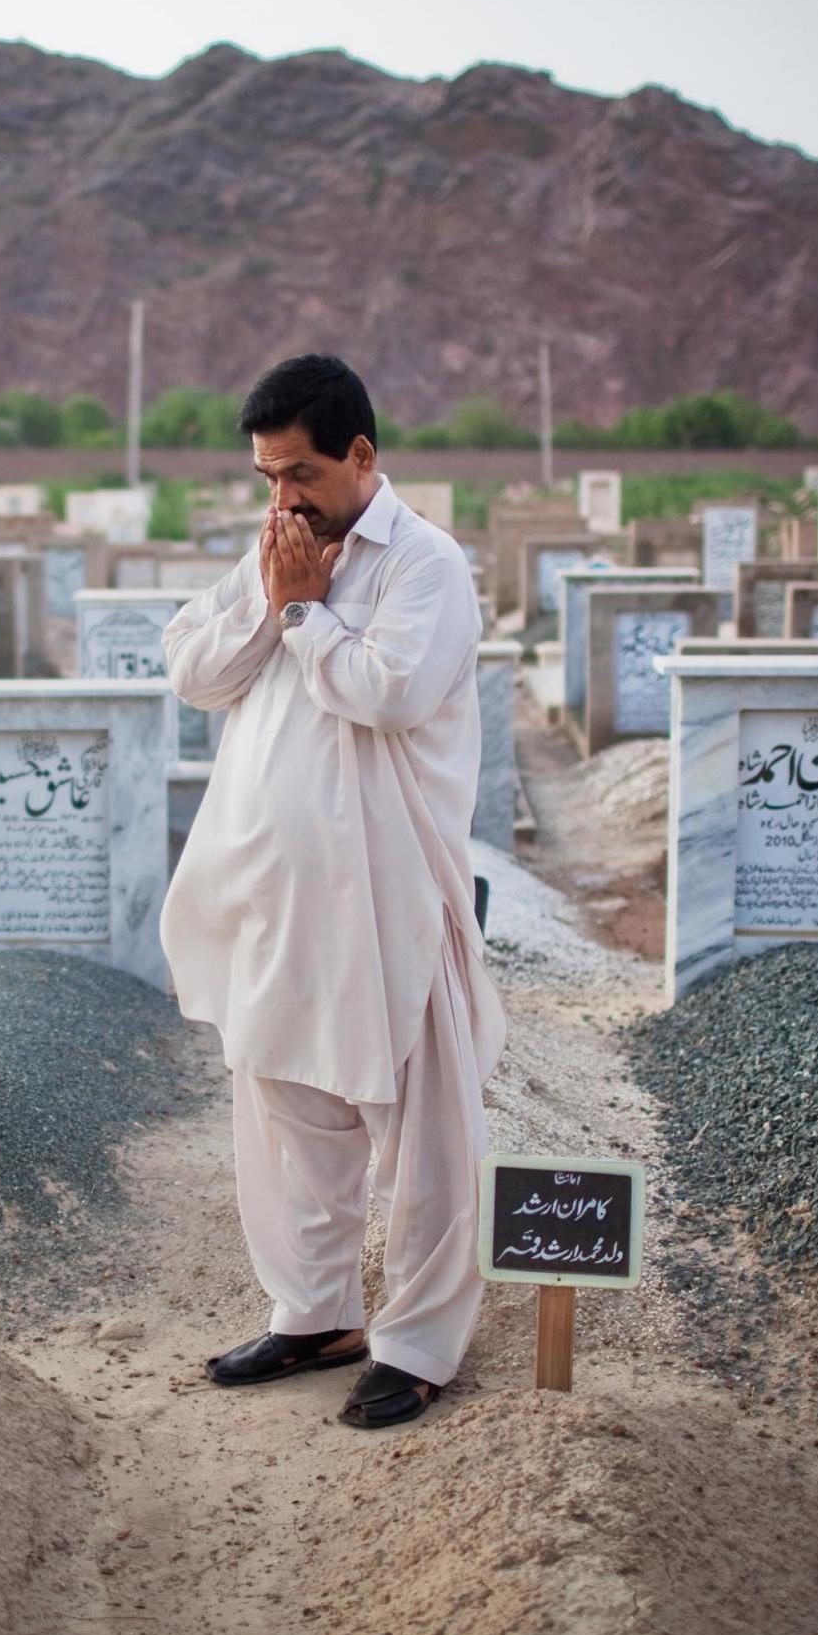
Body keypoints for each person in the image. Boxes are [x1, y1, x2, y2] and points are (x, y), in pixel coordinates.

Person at [160, 353, 505, 1430]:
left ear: (360, 455)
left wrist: (306, 616)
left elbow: (388, 692)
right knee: (283, 1110)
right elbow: (191, 670)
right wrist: (272, 603)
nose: (281, 498)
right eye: (266, 477)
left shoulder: (425, 565)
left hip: (385, 894)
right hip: (272, 896)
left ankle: (415, 1343)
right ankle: (311, 1311)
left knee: (420, 1129)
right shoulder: (279, 551)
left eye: (299, 472)